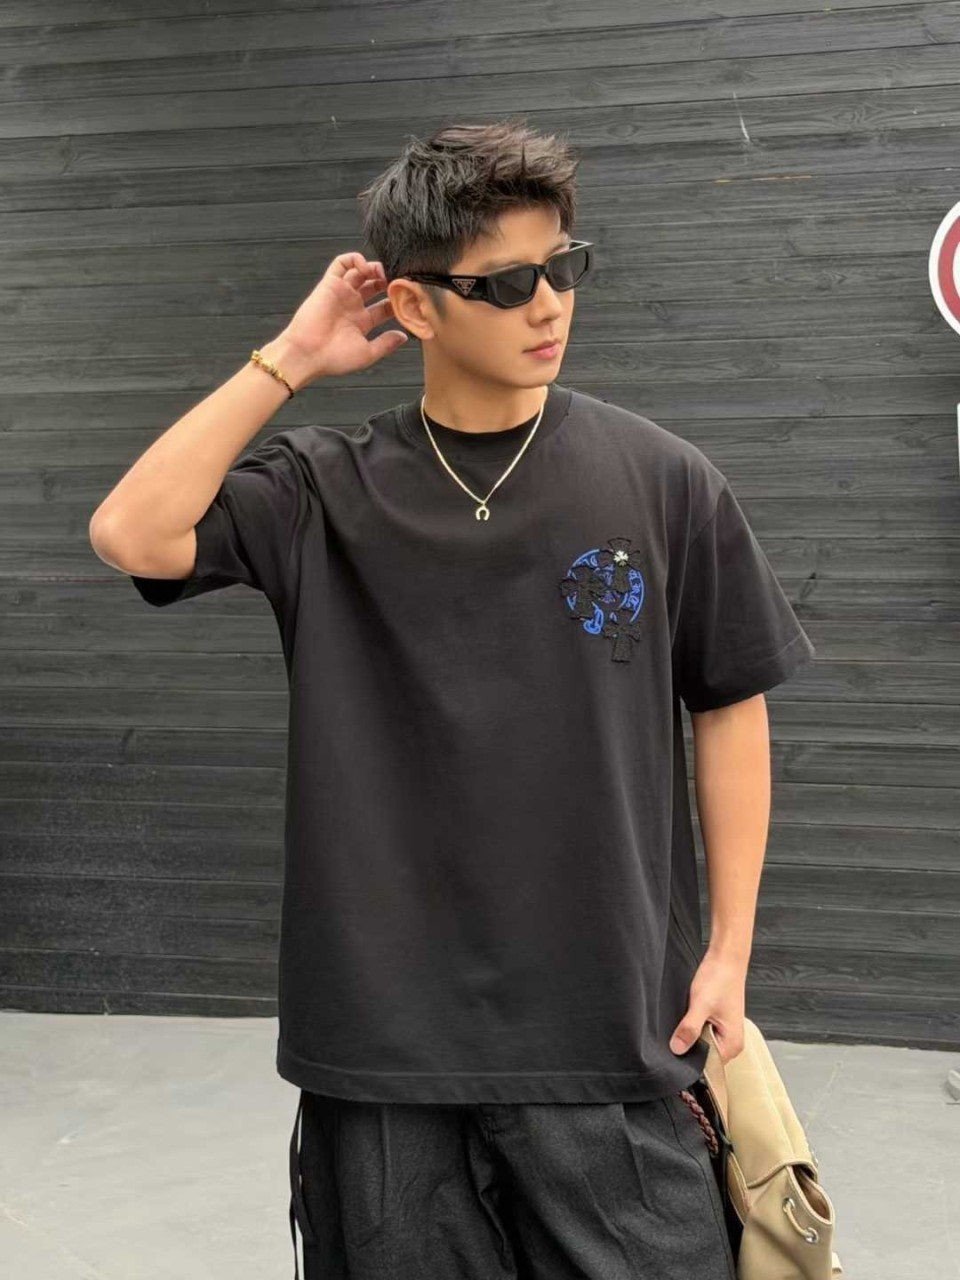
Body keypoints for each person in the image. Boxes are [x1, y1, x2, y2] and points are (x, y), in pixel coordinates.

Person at [88, 119, 815, 1280]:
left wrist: (729, 950)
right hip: (385, 1052)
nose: (548, 305)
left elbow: (730, 701)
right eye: (506, 282)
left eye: (563, 267)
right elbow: (133, 532)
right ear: (415, 307)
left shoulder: (663, 480)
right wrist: (291, 356)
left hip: (610, 1028)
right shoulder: (324, 488)